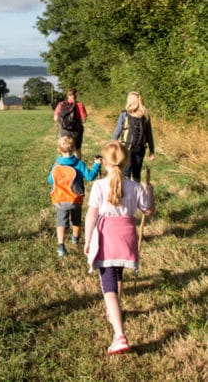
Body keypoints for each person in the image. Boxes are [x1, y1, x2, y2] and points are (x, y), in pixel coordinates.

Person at [85, 141, 154, 355]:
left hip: (107, 238)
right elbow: (148, 210)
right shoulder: (135, 187)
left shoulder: (98, 186)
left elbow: (91, 216)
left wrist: (87, 241)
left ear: (104, 163)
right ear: (126, 163)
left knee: (108, 288)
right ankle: (115, 313)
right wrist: (149, 191)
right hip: (127, 237)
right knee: (118, 276)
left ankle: (119, 334)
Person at [48, 136, 101, 257]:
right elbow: (90, 177)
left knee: (60, 223)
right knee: (76, 221)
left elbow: (51, 180)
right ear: (74, 149)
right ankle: (75, 239)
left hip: (60, 199)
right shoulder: (79, 163)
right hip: (75, 199)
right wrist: (96, 165)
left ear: (58, 149)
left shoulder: (56, 164)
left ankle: (61, 247)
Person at [111, 91, 155, 182]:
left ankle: (125, 193)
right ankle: (135, 193)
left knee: (125, 173)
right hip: (140, 149)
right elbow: (149, 135)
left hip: (126, 148)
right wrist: (152, 150)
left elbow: (117, 132)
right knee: (136, 174)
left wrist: (112, 147)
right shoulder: (145, 116)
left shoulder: (124, 115)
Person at [54, 88, 87, 158]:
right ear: (76, 95)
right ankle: (78, 167)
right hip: (77, 130)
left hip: (64, 130)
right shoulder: (80, 105)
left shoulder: (61, 104)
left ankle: (66, 166)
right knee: (77, 149)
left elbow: (55, 118)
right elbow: (84, 120)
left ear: (67, 95)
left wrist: (63, 122)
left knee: (65, 149)